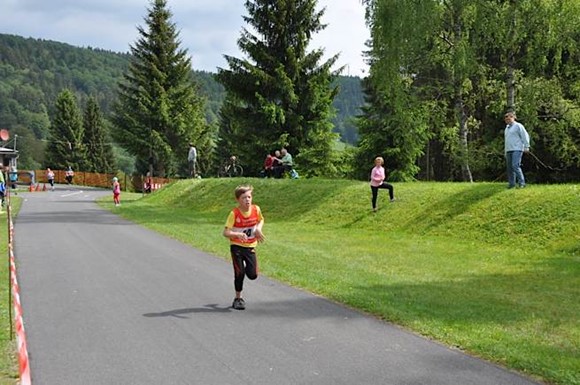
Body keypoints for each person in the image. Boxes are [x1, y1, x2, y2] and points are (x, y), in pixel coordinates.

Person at [222, 185, 265, 310]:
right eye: (244, 198)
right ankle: (238, 298)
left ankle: (246, 269)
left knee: (253, 275)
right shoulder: (234, 214)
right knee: (239, 273)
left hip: (250, 246)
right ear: (238, 200)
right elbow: (225, 232)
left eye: (249, 197)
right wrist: (238, 234)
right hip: (237, 247)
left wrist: (258, 229)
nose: (247, 200)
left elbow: (260, 220)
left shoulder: (256, 209)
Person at [504, 112, 530, 189]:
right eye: (506, 119)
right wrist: (505, 151)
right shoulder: (507, 128)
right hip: (509, 150)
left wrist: (526, 146)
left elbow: (525, 136)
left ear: (513, 118)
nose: (507, 120)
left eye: (509, 118)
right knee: (509, 168)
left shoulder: (518, 126)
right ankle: (512, 184)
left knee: (515, 165)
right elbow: (507, 141)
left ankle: (522, 183)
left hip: (517, 149)